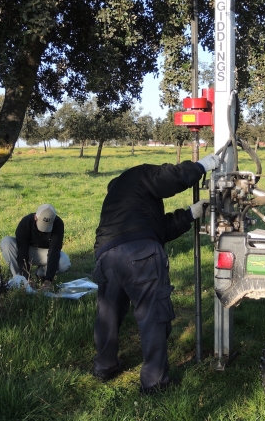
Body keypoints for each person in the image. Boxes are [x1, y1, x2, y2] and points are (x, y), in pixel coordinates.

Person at [93, 154, 220, 393]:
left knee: (108, 314)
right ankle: (154, 382)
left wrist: (191, 213)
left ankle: (104, 366)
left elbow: (158, 229)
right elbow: (168, 179)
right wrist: (202, 166)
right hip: (140, 254)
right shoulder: (137, 175)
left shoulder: (117, 203)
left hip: (105, 256)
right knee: (153, 316)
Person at [0, 203, 71, 290]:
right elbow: (23, 251)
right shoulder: (25, 222)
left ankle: (41, 274)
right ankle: (20, 278)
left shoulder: (58, 224)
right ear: (35, 217)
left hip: (44, 253)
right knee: (6, 242)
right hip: (27, 250)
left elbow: (54, 251)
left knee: (64, 262)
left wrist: (48, 280)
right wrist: (27, 278)